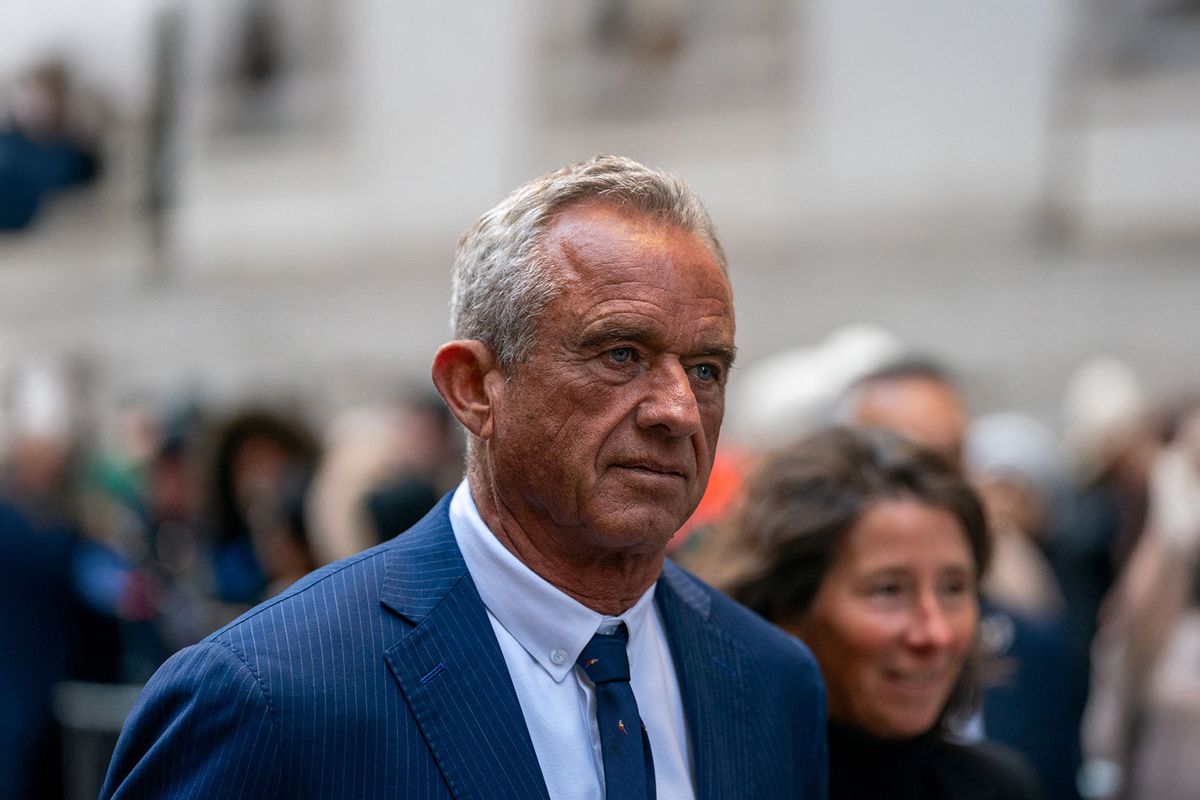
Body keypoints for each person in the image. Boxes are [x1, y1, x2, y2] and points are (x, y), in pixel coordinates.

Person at [100, 155, 828, 799]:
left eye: (706, 369)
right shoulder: (267, 694)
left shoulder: (769, 681)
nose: (677, 409)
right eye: (620, 355)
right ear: (475, 388)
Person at [720, 426, 1045, 800]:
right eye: (889, 590)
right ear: (786, 609)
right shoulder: (707, 781)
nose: (935, 632)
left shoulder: (1000, 788)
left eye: (953, 588)